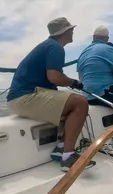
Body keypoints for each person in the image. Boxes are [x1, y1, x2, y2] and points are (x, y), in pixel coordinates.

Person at [6, 17, 95, 172]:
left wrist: (68, 82)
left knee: (71, 104)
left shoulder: (47, 46)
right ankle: (68, 157)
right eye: (70, 29)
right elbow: (54, 77)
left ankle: (60, 148)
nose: (73, 31)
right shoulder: (55, 47)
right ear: (64, 32)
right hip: (25, 97)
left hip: (19, 98)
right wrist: (73, 82)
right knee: (80, 103)